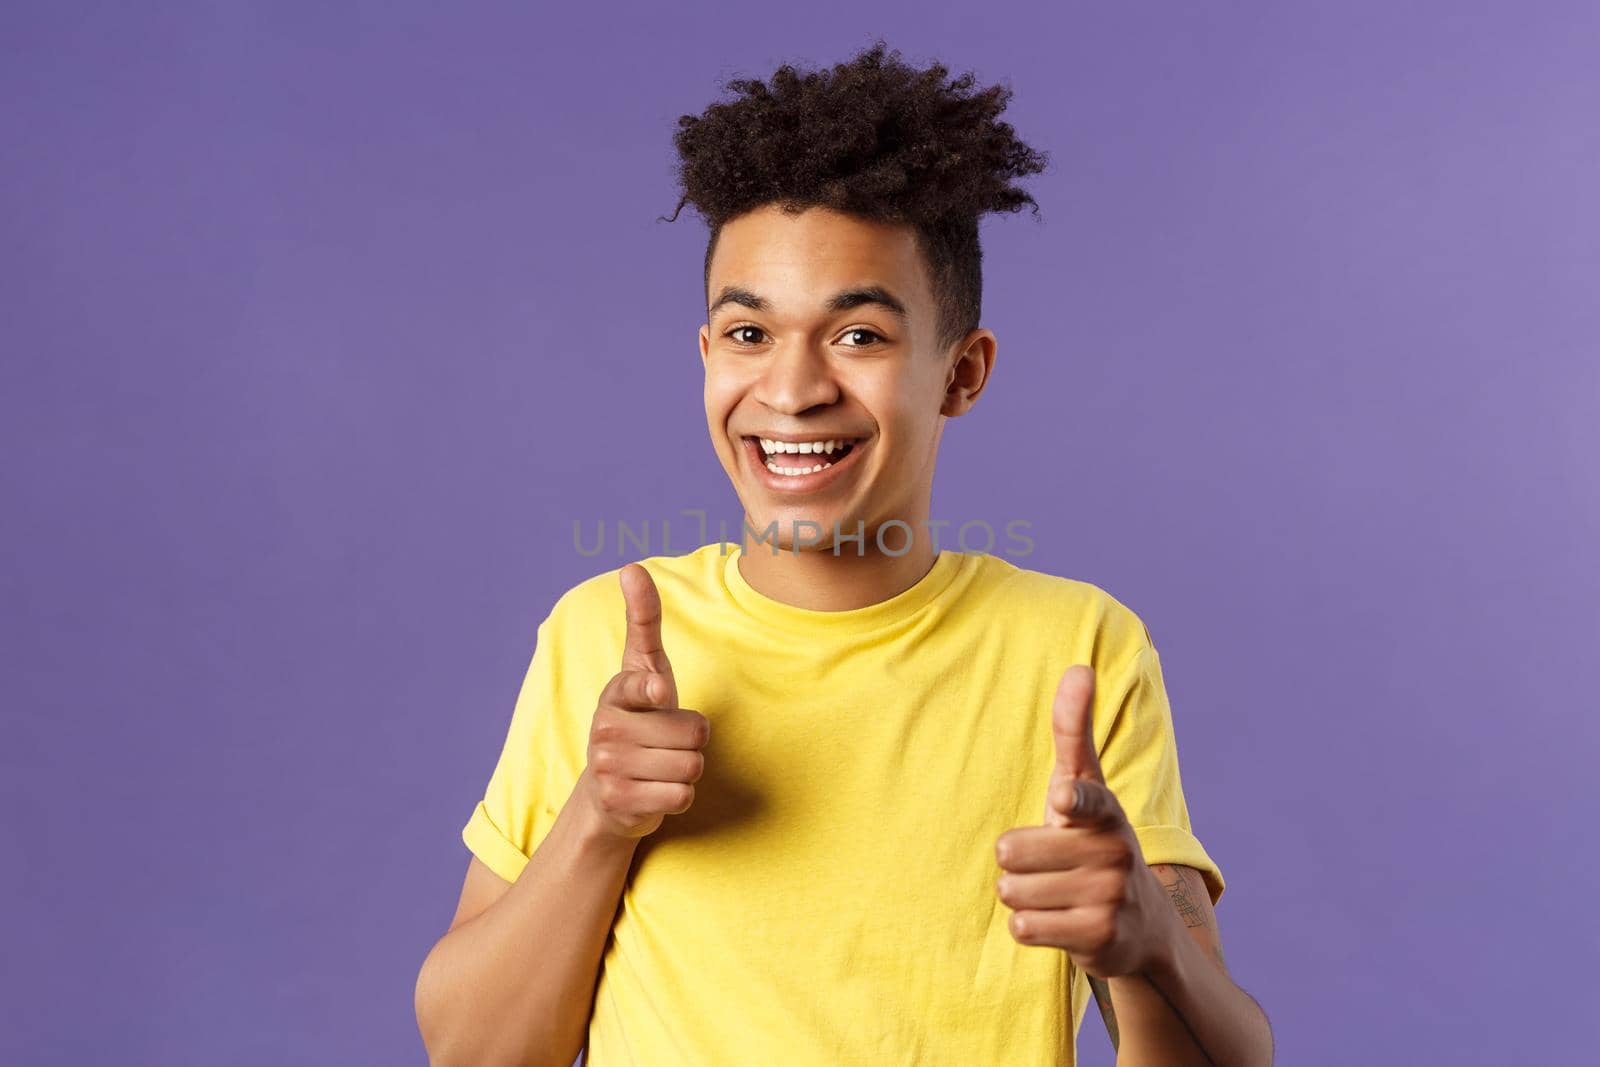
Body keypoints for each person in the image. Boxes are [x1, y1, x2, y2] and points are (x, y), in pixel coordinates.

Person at [414, 39, 1273, 1067]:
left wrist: (1148, 947)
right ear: (705, 356)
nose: (791, 389)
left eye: (857, 335)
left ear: (961, 371)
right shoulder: (604, 633)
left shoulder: (1077, 651)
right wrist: (597, 821)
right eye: (748, 335)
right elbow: (472, 1052)